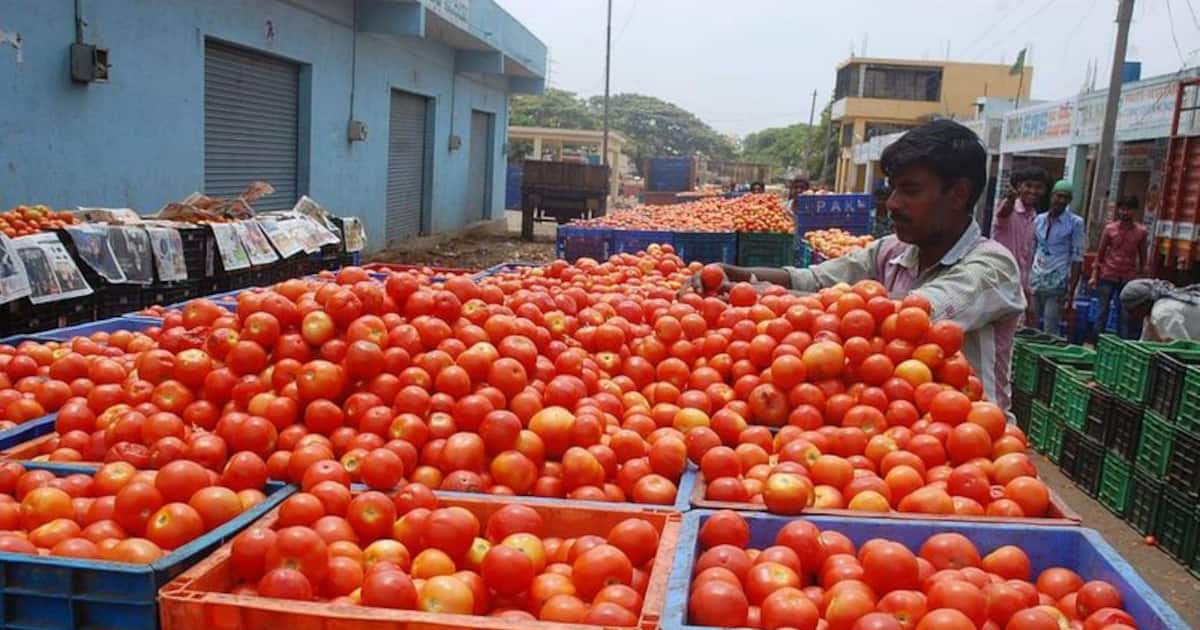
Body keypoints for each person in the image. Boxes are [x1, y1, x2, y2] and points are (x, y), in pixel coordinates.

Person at [694, 119, 1025, 408]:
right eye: (892, 189)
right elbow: (810, 280)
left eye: (909, 191)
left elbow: (911, 318)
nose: (892, 203)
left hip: (973, 441)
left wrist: (762, 294)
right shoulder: (891, 251)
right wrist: (733, 273)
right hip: (900, 425)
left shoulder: (992, 266)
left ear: (958, 194)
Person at [991, 166, 1049, 324]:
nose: (1033, 191)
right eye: (1028, 186)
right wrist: (1010, 199)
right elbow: (1003, 212)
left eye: (1038, 187)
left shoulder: (1033, 216)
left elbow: (1026, 258)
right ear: (1019, 187)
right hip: (998, 281)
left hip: (1017, 286)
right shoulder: (1009, 209)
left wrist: (1027, 295)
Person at [1029, 179, 1085, 335]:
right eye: (1058, 196)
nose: (1061, 201)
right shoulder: (1038, 220)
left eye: (1065, 198)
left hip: (1057, 282)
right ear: (1052, 196)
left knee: (1050, 327)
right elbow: (1031, 250)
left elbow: (1077, 257)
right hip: (1035, 279)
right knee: (1030, 325)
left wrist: (1071, 292)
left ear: (1069, 201)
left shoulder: (1075, 223)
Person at [1089, 196, 1148, 340]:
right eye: (1122, 209)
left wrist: (1141, 278)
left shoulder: (1141, 232)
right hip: (1108, 274)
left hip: (1128, 277)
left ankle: (1122, 344)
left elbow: (1143, 256)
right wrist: (1094, 275)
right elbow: (1100, 254)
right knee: (1102, 311)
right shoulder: (1110, 229)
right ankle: (1097, 343)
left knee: (1125, 314)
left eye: (1128, 209)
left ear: (1134, 211)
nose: (1124, 212)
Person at [1120, 279, 1200, 341]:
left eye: (1131, 311)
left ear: (1142, 304)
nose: (1130, 315)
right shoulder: (1149, 316)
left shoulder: (1161, 312)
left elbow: (1178, 348)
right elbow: (1146, 342)